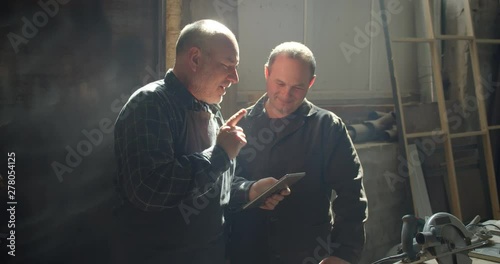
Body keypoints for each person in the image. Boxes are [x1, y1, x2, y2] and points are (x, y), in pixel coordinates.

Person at [111, 19, 288, 264]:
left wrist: (249, 191)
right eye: (228, 65)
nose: (235, 78)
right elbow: (150, 188)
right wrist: (220, 154)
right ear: (195, 59)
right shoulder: (150, 104)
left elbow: (211, 188)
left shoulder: (211, 110)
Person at [227, 42, 368, 264]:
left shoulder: (328, 127)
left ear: (311, 83)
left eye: (297, 87)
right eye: (280, 83)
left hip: (308, 253)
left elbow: (351, 194)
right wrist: (249, 190)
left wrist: (343, 254)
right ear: (267, 73)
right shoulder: (239, 124)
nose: (286, 94)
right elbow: (218, 183)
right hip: (246, 251)